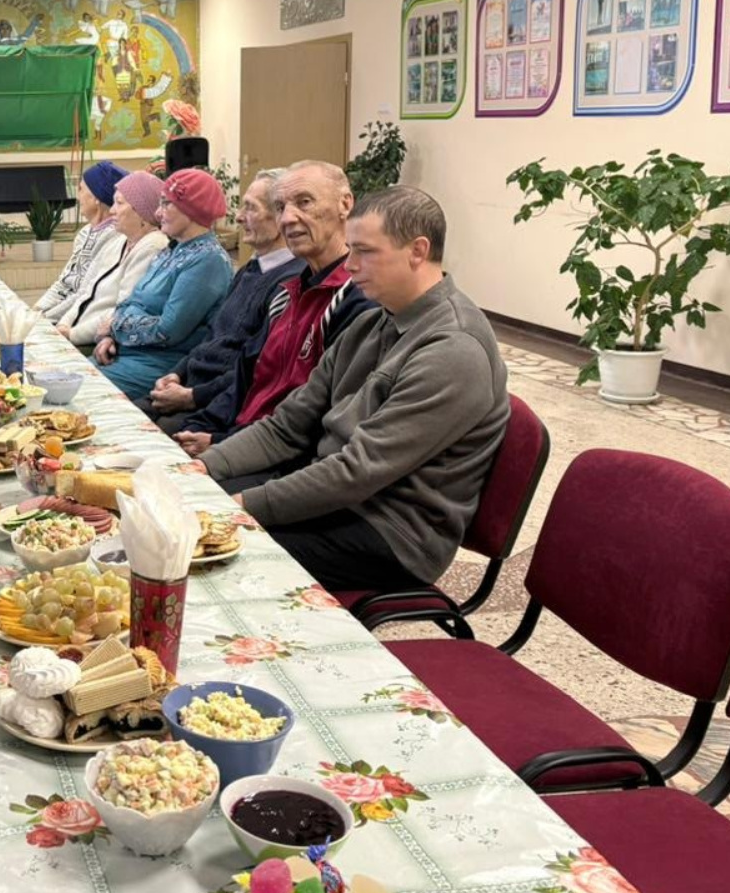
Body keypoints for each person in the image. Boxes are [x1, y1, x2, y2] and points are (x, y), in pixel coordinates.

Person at [199, 187, 510, 591]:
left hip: (391, 534)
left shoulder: (454, 349)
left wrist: (242, 508)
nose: (350, 264)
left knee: (212, 553)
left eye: (364, 251)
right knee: (196, 500)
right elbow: (286, 426)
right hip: (344, 499)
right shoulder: (373, 322)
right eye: (351, 250)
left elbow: (357, 472)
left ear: (417, 251)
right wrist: (204, 467)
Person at [176, 161, 376, 456]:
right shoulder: (286, 292)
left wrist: (220, 442)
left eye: (304, 202)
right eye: (281, 207)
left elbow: (317, 415)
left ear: (345, 204)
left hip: (279, 457)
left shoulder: (357, 298)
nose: (288, 218)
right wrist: (200, 425)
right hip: (238, 438)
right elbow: (246, 378)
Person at [135, 167, 306, 433]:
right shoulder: (251, 270)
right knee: (116, 420)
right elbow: (212, 337)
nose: (238, 216)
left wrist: (192, 396)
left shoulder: (290, 282)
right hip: (191, 385)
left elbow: (256, 368)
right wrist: (178, 373)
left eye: (251, 208)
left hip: (215, 405)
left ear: (280, 216)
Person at [94, 167, 234, 398]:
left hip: (158, 367)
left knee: (75, 390)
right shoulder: (172, 249)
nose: (158, 213)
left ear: (191, 210)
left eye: (166, 204)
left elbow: (167, 331)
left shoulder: (208, 260)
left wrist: (115, 327)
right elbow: (131, 300)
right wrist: (109, 336)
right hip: (125, 354)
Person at [50, 170, 169, 349]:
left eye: (119, 203)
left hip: (97, 342)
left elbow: (123, 308)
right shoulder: (119, 241)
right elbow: (85, 292)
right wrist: (64, 324)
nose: (112, 210)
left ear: (141, 212)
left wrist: (73, 335)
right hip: (73, 333)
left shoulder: (152, 247)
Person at [34, 161, 126, 314]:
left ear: (97, 197)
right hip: (57, 315)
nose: (77, 197)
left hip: (78, 317)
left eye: (81, 189)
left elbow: (85, 293)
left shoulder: (115, 237)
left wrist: (45, 317)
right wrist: (36, 309)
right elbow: (63, 282)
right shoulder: (84, 232)